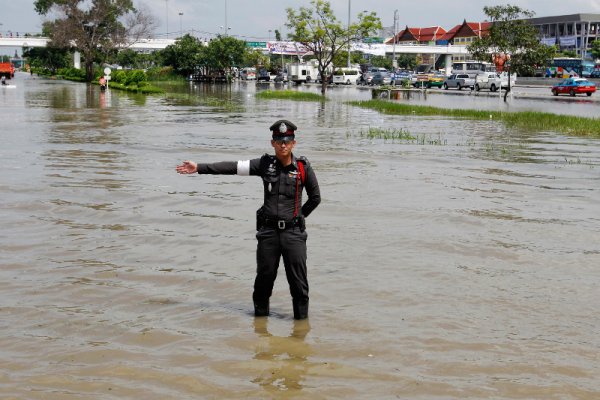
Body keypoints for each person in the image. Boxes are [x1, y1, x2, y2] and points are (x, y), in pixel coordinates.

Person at [176, 120, 321, 320]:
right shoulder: (264, 165)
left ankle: (300, 332)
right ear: (273, 143)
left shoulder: (303, 168)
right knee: (263, 284)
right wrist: (199, 167)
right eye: (279, 141)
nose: (283, 145)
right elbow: (232, 167)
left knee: (299, 286)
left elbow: (315, 198)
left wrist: (298, 217)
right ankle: (260, 331)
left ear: (294, 144)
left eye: (287, 141)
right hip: (268, 234)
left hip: (293, 235)